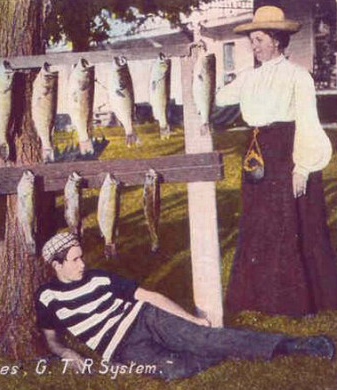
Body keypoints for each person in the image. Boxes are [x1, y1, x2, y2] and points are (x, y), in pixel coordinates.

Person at [35, 232, 335, 380]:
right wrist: (67, 351)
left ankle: (297, 345)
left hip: (147, 319)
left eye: (81, 256)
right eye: (75, 260)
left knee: (206, 337)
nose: (83, 263)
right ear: (57, 265)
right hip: (123, 349)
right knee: (174, 371)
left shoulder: (99, 277)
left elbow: (150, 297)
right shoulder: (47, 297)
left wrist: (191, 319)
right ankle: (224, 348)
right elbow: (51, 338)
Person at [215, 5, 337, 315]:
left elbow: (308, 121)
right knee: (259, 221)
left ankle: (297, 300)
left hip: (288, 151)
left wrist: (303, 167)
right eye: (252, 40)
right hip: (257, 152)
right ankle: (258, 298)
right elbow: (218, 99)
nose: (254, 46)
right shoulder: (248, 78)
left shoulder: (298, 76)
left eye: (259, 40)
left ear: (276, 40)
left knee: (290, 220)